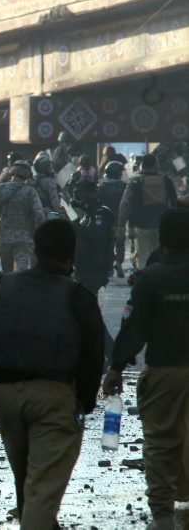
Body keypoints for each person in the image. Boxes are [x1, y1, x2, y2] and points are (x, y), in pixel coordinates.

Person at [0, 219, 106, 527]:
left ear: (35, 249)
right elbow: (93, 358)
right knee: (42, 492)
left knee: (27, 488)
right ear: (72, 253)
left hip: (6, 398)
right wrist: (82, 404)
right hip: (53, 399)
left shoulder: (3, 285)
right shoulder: (78, 296)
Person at [103, 208, 189, 529]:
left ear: (162, 238)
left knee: (161, 444)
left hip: (164, 373)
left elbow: (133, 328)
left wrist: (116, 368)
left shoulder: (151, 278)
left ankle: (163, 517)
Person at [116, 153, 178, 270]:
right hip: (162, 225)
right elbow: (174, 203)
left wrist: (122, 225)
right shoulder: (165, 180)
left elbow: (126, 204)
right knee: (160, 257)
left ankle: (144, 278)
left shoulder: (136, 181)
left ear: (142, 165)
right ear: (156, 165)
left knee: (143, 258)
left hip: (141, 226)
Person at [0, 161, 46, 273]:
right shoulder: (30, 191)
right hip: (24, 238)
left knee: (7, 272)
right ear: (27, 174)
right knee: (22, 270)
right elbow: (39, 215)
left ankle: (8, 284)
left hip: (3, 237)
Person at [71, 180, 116, 296]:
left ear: (93, 193)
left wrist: (74, 225)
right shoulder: (87, 213)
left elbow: (96, 235)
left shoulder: (100, 213)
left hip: (95, 264)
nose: (79, 197)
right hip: (83, 263)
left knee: (88, 296)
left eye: (82, 193)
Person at [98, 160, 128, 277]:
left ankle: (109, 266)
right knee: (120, 241)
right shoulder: (124, 186)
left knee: (108, 243)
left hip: (105, 217)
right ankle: (118, 261)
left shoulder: (101, 186)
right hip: (120, 218)